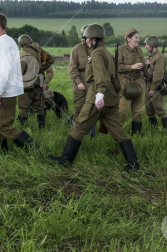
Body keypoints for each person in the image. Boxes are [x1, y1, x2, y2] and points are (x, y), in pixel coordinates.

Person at [49, 23, 139, 170]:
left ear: (94, 39)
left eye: (88, 39)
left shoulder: (97, 53)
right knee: (118, 130)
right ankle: (133, 163)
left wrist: (99, 96)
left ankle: (66, 159)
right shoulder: (105, 51)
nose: (86, 41)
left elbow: (102, 78)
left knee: (79, 126)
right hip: (110, 98)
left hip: (96, 95)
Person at [0, 14, 37, 152]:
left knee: (3, 125)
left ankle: (33, 149)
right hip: (3, 91)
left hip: (5, 93)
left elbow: (4, 70)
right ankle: (2, 152)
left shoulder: (3, 42)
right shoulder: (2, 42)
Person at [16, 34, 54, 128]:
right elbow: (51, 59)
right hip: (38, 83)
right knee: (39, 107)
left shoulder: (24, 53)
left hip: (26, 85)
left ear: (22, 45)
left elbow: (20, 71)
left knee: (23, 108)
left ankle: (23, 130)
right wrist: (41, 69)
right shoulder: (39, 50)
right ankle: (42, 129)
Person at [117, 28, 146, 135]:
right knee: (122, 111)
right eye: (136, 38)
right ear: (128, 38)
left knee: (138, 111)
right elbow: (118, 67)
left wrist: (144, 68)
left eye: (139, 37)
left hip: (139, 83)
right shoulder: (120, 50)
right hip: (125, 83)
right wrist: (132, 67)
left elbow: (144, 64)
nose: (139, 40)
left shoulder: (139, 50)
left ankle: (136, 135)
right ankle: (117, 134)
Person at [144, 35, 167, 132]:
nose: (145, 46)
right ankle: (154, 131)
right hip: (148, 85)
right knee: (149, 110)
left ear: (153, 45)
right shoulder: (152, 56)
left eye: (147, 45)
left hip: (156, 86)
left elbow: (158, 74)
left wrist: (152, 88)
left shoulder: (159, 57)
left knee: (160, 110)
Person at [67, 25, 91, 123]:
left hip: (94, 84)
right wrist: (78, 82)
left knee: (92, 110)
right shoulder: (76, 49)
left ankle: (91, 135)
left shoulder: (97, 49)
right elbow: (72, 68)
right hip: (81, 83)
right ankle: (75, 133)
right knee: (79, 109)